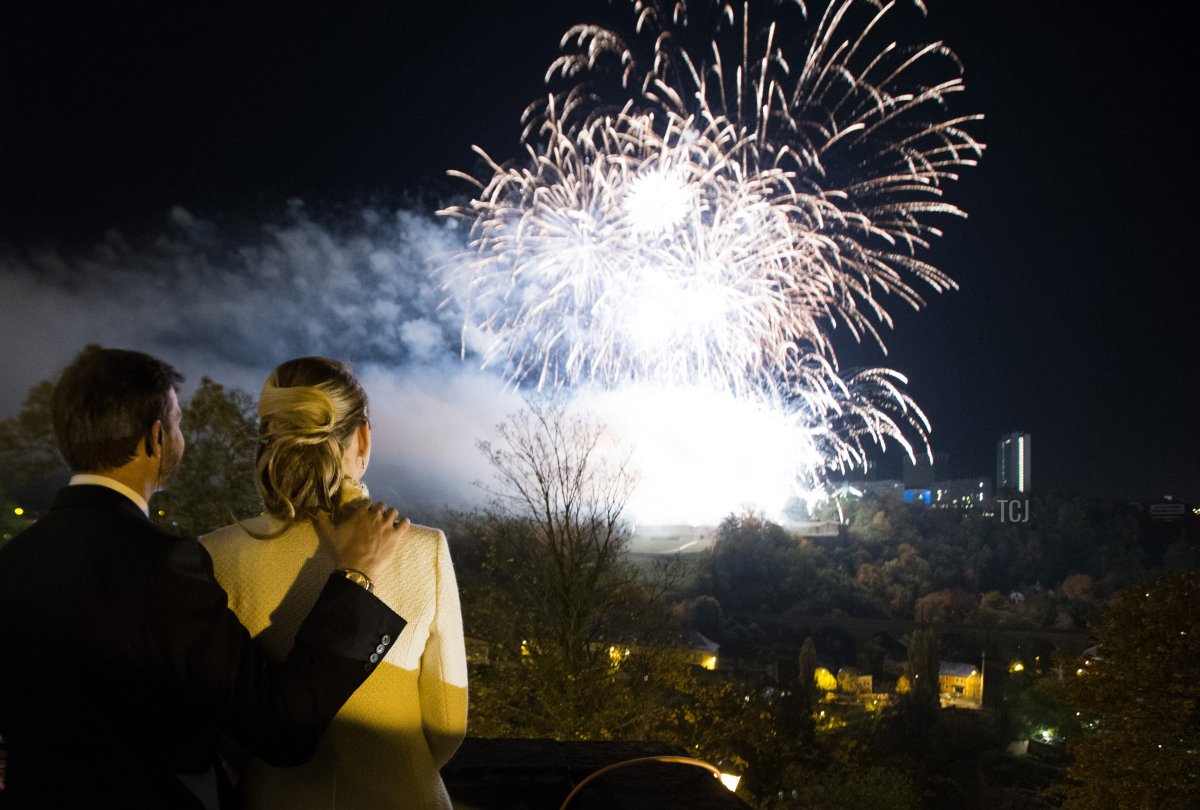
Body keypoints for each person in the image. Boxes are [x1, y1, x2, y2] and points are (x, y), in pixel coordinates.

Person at [0, 346, 409, 809]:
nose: (181, 436)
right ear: (157, 438)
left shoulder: (11, 565)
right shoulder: (164, 566)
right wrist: (354, 576)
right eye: (177, 423)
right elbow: (280, 728)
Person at [202, 357, 467, 810]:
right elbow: (447, 724)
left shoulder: (214, 553)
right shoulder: (424, 550)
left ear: (268, 438)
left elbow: (221, 725)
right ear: (362, 436)